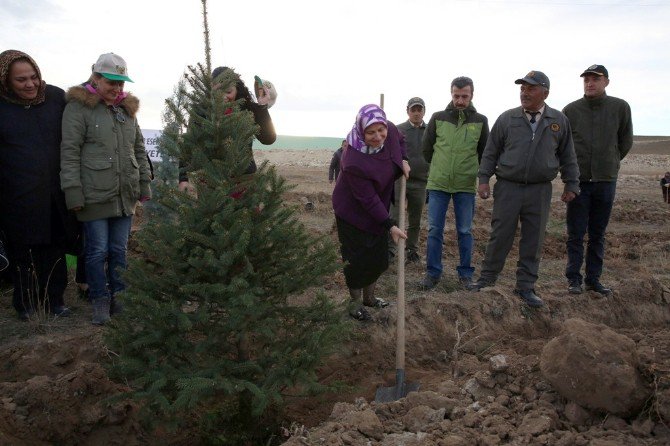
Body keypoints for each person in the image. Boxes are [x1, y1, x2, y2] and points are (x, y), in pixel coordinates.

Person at [468, 71, 580, 308]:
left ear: (545, 92)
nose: (524, 93)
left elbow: (568, 156)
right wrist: (484, 179)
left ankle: (526, 287)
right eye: (522, 88)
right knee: (500, 235)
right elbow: (490, 151)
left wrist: (572, 183)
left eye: (530, 88)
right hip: (508, 187)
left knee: (534, 238)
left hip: (539, 190)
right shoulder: (507, 119)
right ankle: (487, 279)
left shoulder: (558, 121)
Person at [60, 52, 153, 325]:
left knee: (118, 250)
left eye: (121, 83)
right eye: (111, 82)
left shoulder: (127, 110)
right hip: (94, 194)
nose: (117, 88)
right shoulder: (78, 108)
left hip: (125, 193)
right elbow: (69, 151)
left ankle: (120, 298)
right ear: (96, 78)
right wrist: (73, 191)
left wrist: (143, 183)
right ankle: (99, 300)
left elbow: (138, 148)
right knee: (96, 251)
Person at [0, 49, 76, 320]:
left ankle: (55, 301)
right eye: (21, 80)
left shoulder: (56, 97)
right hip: (17, 196)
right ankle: (26, 304)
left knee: (55, 249)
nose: (30, 84)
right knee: (25, 254)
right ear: (6, 80)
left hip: (56, 194)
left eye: (33, 77)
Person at [332, 104, 410, 321]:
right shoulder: (353, 160)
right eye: (370, 132)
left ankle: (370, 298)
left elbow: (400, 142)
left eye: (380, 130)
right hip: (352, 212)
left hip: (378, 205)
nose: (378, 137)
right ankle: (355, 304)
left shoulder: (391, 130)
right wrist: (390, 224)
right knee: (357, 260)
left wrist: (404, 160)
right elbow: (367, 199)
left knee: (377, 257)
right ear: (361, 131)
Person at [563, 65, 633, 296]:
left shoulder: (620, 107)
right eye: (587, 80)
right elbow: (563, 145)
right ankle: (574, 279)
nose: (590, 83)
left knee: (597, 234)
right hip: (579, 182)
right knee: (575, 233)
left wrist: (610, 161)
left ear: (606, 82)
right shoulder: (571, 110)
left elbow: (625, 141)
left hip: (605, 180)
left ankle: (594, 279)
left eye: (595, 79)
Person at [419, 78, 489, 290]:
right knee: (434, 230)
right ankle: (432, 273)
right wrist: (440, 167)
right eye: (456, 96)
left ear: (472, 96)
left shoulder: (481, 121)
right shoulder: (437, 118)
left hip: (465, 185)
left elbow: (485, 152)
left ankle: (466, 274)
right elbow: (426, 148)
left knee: (465, 230)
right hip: (438, 183)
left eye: (464, 96)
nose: (460, 100)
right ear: (451, 94)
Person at [178, 66, 276, 193]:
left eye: (228, 91)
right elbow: (189, 144)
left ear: (237, 88)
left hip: (244, 183)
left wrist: (262, 107)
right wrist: (183, 178)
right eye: (217, 92)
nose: (223, 97)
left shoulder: (247, 109)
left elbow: (268, 139)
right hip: (211, 186)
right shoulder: (200, 112)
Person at [389, 97, 429, 264]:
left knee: (415, 219)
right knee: (395, 216)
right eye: (413, 109)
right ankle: (390, 250)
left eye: (419, 109)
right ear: (408, 111)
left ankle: (411, 250)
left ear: (424, 111)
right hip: (399, 181)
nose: (417, 113)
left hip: (420, 182)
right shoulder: (399, 130)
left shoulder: (430, 131)